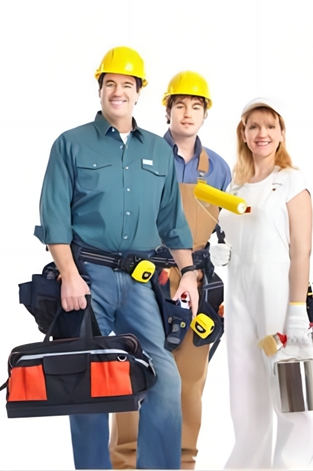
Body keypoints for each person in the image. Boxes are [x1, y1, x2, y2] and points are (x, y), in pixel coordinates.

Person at [34, 45, 197, 469]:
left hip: (141, 282)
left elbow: (173, 221)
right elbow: (54, 217)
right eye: (111, 84)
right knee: (88, 383)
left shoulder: (159, 153)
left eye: (127, 84)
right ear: (101, 89)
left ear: (139, 91)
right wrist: (69, 275)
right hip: (88, 277)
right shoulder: (71, 144)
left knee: (163, 378)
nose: (118, 91)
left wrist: (189, 272)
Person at [109, 70, 231, 470]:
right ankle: (126, 461)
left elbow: (227, 229)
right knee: (134, 372)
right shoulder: (138, 155)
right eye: (180, 105)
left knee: (189, 381)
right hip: (142, 277)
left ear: (205, 114)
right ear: (167, 111)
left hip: (194, 279)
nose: (188, 113)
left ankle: (182, 461)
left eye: (197, 106)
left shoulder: (218, 170)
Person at [212, 98, 313, 469]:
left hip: (278, 296)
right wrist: (221, 252)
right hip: (240, 295)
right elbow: (231, 237)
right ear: (243, 133)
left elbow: (302, 249)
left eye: (270, 126)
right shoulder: (236, 187)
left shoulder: (291, 180)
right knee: (246, 392)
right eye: (254, 126)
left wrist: (296, 310)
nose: (262, 134)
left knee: (292, 391)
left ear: (281, 133)